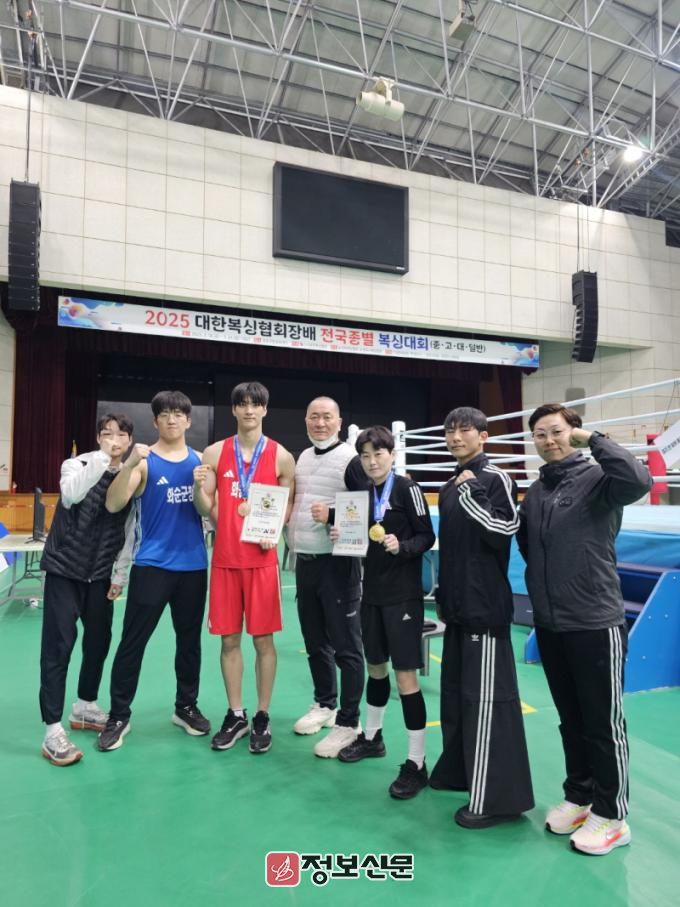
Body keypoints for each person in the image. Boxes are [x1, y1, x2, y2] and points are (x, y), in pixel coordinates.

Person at [517, 404, 651, 855]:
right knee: (571, 719)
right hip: (552, 624)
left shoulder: (599, 479)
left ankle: (612, 815)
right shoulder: (537, 491)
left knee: (602, 723)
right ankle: (580, 796)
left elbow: (639, 480)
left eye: (556, 431)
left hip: (595, 621)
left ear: (573, 432)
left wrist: (594, 440)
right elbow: (528, 547)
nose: (548, 440)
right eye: (539, 434)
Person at [429, 406, 534, 828]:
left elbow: (504, 529)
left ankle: (498, 800)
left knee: (488, 703)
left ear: (483, 436)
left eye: (464, 430)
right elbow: (453, 549)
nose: (455, 437)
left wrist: (472, 492)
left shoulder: (494, 479)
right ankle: (461, 772)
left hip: (485, 611)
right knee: (457, 698)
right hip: (457, 610)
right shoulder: (451, 483)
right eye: (449, 431)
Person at [97, 391, 210, 751]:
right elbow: (114, 503)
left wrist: (201, 485)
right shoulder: (144, 462)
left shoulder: (200, 461)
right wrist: (128, 465)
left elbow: (208, 509)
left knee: (189, 643)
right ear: (155, 421)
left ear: (188, 421)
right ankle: (119, 715)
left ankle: (186, 707)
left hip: (193, 566)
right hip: (152, 566)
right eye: (165, 414)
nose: (172, 419)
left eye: (178, 414)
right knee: (132, 642)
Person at [193, 382, 295, 755]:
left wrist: (275, 529)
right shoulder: (215, 452)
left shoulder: (282, 456)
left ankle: (262, 715)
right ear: (234, 409)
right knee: (229, 641)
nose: (249, 410)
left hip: (262, 564)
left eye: (256, 404)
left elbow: (288, 500)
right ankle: (236, 714)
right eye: (243, 404)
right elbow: (204, 506)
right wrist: (200, 492)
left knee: (263, 641)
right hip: (225, 562)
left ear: (265, 410)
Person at [336, 426, 435, 798]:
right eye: (365, 456)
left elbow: (427, 536)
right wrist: (340, 533)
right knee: (375, 668)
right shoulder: (363, 494)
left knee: (405, 678)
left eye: (378, 454)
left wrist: (402, 545)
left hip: (403, 598)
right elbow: (355, 534)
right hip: (372, 595)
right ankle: (372, 738)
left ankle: (417, 763)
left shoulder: (408, 489)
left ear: (392, 455)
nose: (372, 461)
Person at [39, 414, 134, 766]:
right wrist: (102, 459)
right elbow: (72, 494)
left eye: (121, 435)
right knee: (58, 647)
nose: (114, 440)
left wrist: (119, 574)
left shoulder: (130, 477)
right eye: (107, 434)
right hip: (64, 572)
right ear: (98, 438)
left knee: (98, 642)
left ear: (129, 441)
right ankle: (52, 729)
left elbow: (129, 529)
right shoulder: (76, 465)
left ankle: (84, 705)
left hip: (100, 576)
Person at [286, 396, 368, 758]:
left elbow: (369, 506)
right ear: (306, 420)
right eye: (314, 417)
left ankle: (349, 722)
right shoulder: (303, 457)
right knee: (315, 640)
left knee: (346, 646)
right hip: (306, 563)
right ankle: (325, 703)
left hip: (338, 564)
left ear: (339, 421)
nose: (320, 423)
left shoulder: (351, 459)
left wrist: (333, 515)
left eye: (327, 417)